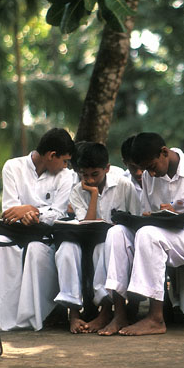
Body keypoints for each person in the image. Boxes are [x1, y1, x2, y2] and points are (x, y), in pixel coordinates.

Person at [97, 132, 184, 336]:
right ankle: (120, 314)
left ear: (164, 153)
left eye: (151, 166)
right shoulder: (149, 176)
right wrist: (147, 217)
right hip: (162, 233)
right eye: (144, 169)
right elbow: (151, 215)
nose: (150, 174)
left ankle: (156, 318)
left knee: (149, 234)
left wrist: (183, 216)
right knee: (117, 233)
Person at [0, 128, 75, 332]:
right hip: (14, 231)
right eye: (64, 160)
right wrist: (25, 214)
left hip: (45, 233)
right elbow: (10, 210)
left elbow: (58, 212)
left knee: (36, 250)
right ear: (51, 155)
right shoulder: (13, 166)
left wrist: (32, 211)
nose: (66, 166)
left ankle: (35, 315)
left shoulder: (66, 176)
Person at [54, 142, 141, 334]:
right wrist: (93, 194)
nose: (90, 180)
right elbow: (88, 223)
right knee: (66, 249)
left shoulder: (124, 186)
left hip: (115, 244)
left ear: (107, 169)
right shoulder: (78, 190)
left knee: (104, 246)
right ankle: (74, 314)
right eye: (85, 175)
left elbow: (136, 220)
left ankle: (105, 311)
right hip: (86, 239)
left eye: (95, 174)